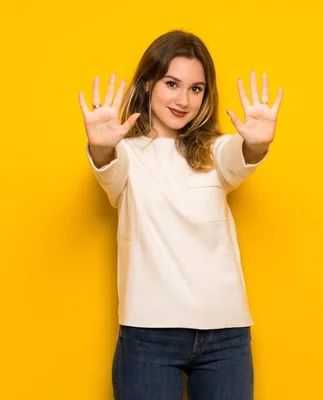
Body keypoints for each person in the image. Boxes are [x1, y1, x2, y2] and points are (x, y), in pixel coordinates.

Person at [78, 30, 283, 400]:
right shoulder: (126, 154)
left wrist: (257, 142)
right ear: (148, 85)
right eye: (172, 83)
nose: (183, 100)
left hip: (226, 337)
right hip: (148, 336)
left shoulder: (215, 151)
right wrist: (100, 147)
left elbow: (240, 157)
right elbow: (107, 167)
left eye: (196, 89)